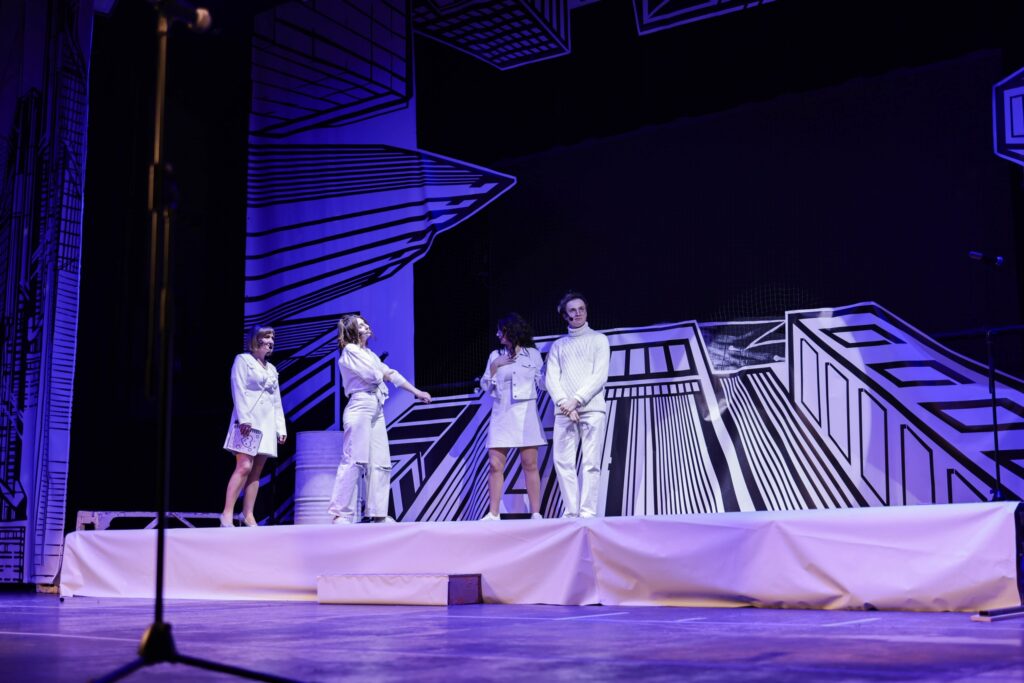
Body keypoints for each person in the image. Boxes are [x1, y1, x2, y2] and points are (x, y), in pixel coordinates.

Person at [328, 315, 432, 524]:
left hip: (376, 407)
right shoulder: (350, 351)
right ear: (352, 331)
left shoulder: (369, 354)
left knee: (381, 462)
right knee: (354, 459)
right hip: (360, 405)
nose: (366, 326)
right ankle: (340, 513)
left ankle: (378, 513)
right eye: (361, 325)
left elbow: (390, 373)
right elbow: (372, 376)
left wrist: (416, 392)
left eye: (366, 323)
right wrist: (381, 372)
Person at [545, 292, 610, 518]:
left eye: (581, 308)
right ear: (565, 316)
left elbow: (599, 375)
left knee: (591, 463)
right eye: (573, 310)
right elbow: (551, 378)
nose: (578, 313)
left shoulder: (599, 340)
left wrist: (576, 400)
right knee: (563, 462)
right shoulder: (558, 346)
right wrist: (565, 404)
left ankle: (588, 512)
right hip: (564, 411)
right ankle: (571, 511)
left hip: (592, 409)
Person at [479, 313, 546, 521]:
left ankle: (536, 513)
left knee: (530, 464)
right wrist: (495, 366)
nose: (498, 334)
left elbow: (543, 383)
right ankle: (493, 514)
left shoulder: (532, 354)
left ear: (512, 331)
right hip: (502, 413)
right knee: (495, 464)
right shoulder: (495, 355)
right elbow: (485, 386)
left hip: (526, 414)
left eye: (501, 330)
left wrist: (552, 373)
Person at [221, 325, 287, 527]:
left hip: (266, 421)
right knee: (244, 466)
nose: (271, 341)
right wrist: (244, 419)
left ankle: (247, 514)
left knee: (256, 471)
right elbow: (238, 388)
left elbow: (276, 400)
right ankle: (227, 514)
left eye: (272, 337)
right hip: (248, 421)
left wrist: (280, 427)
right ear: (256, 339)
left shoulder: (272, 369)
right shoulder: (243, 361)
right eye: (267, 337)